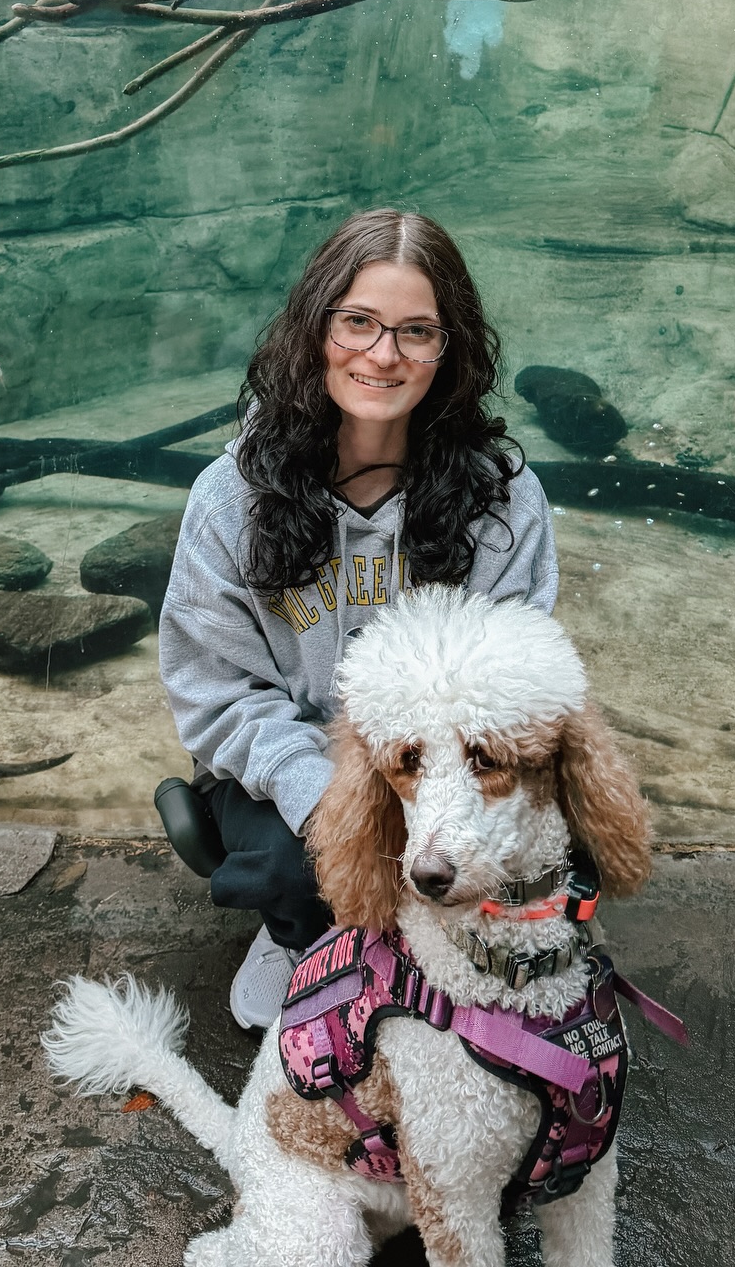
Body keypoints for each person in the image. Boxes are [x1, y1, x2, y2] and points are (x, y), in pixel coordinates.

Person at [158, 208, 558, 1030]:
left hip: (445, 769)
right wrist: (330, 803)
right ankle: (298, 935)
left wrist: (428, 797)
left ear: (450, 353)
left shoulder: (506, 502)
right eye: (359, 322)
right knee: (294, 863)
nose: (384, 354)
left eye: (418, 332)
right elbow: (217, 694)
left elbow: (517, 685)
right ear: (316, 329)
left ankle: (428, 945)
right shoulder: (227, 498)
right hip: (286, 771)